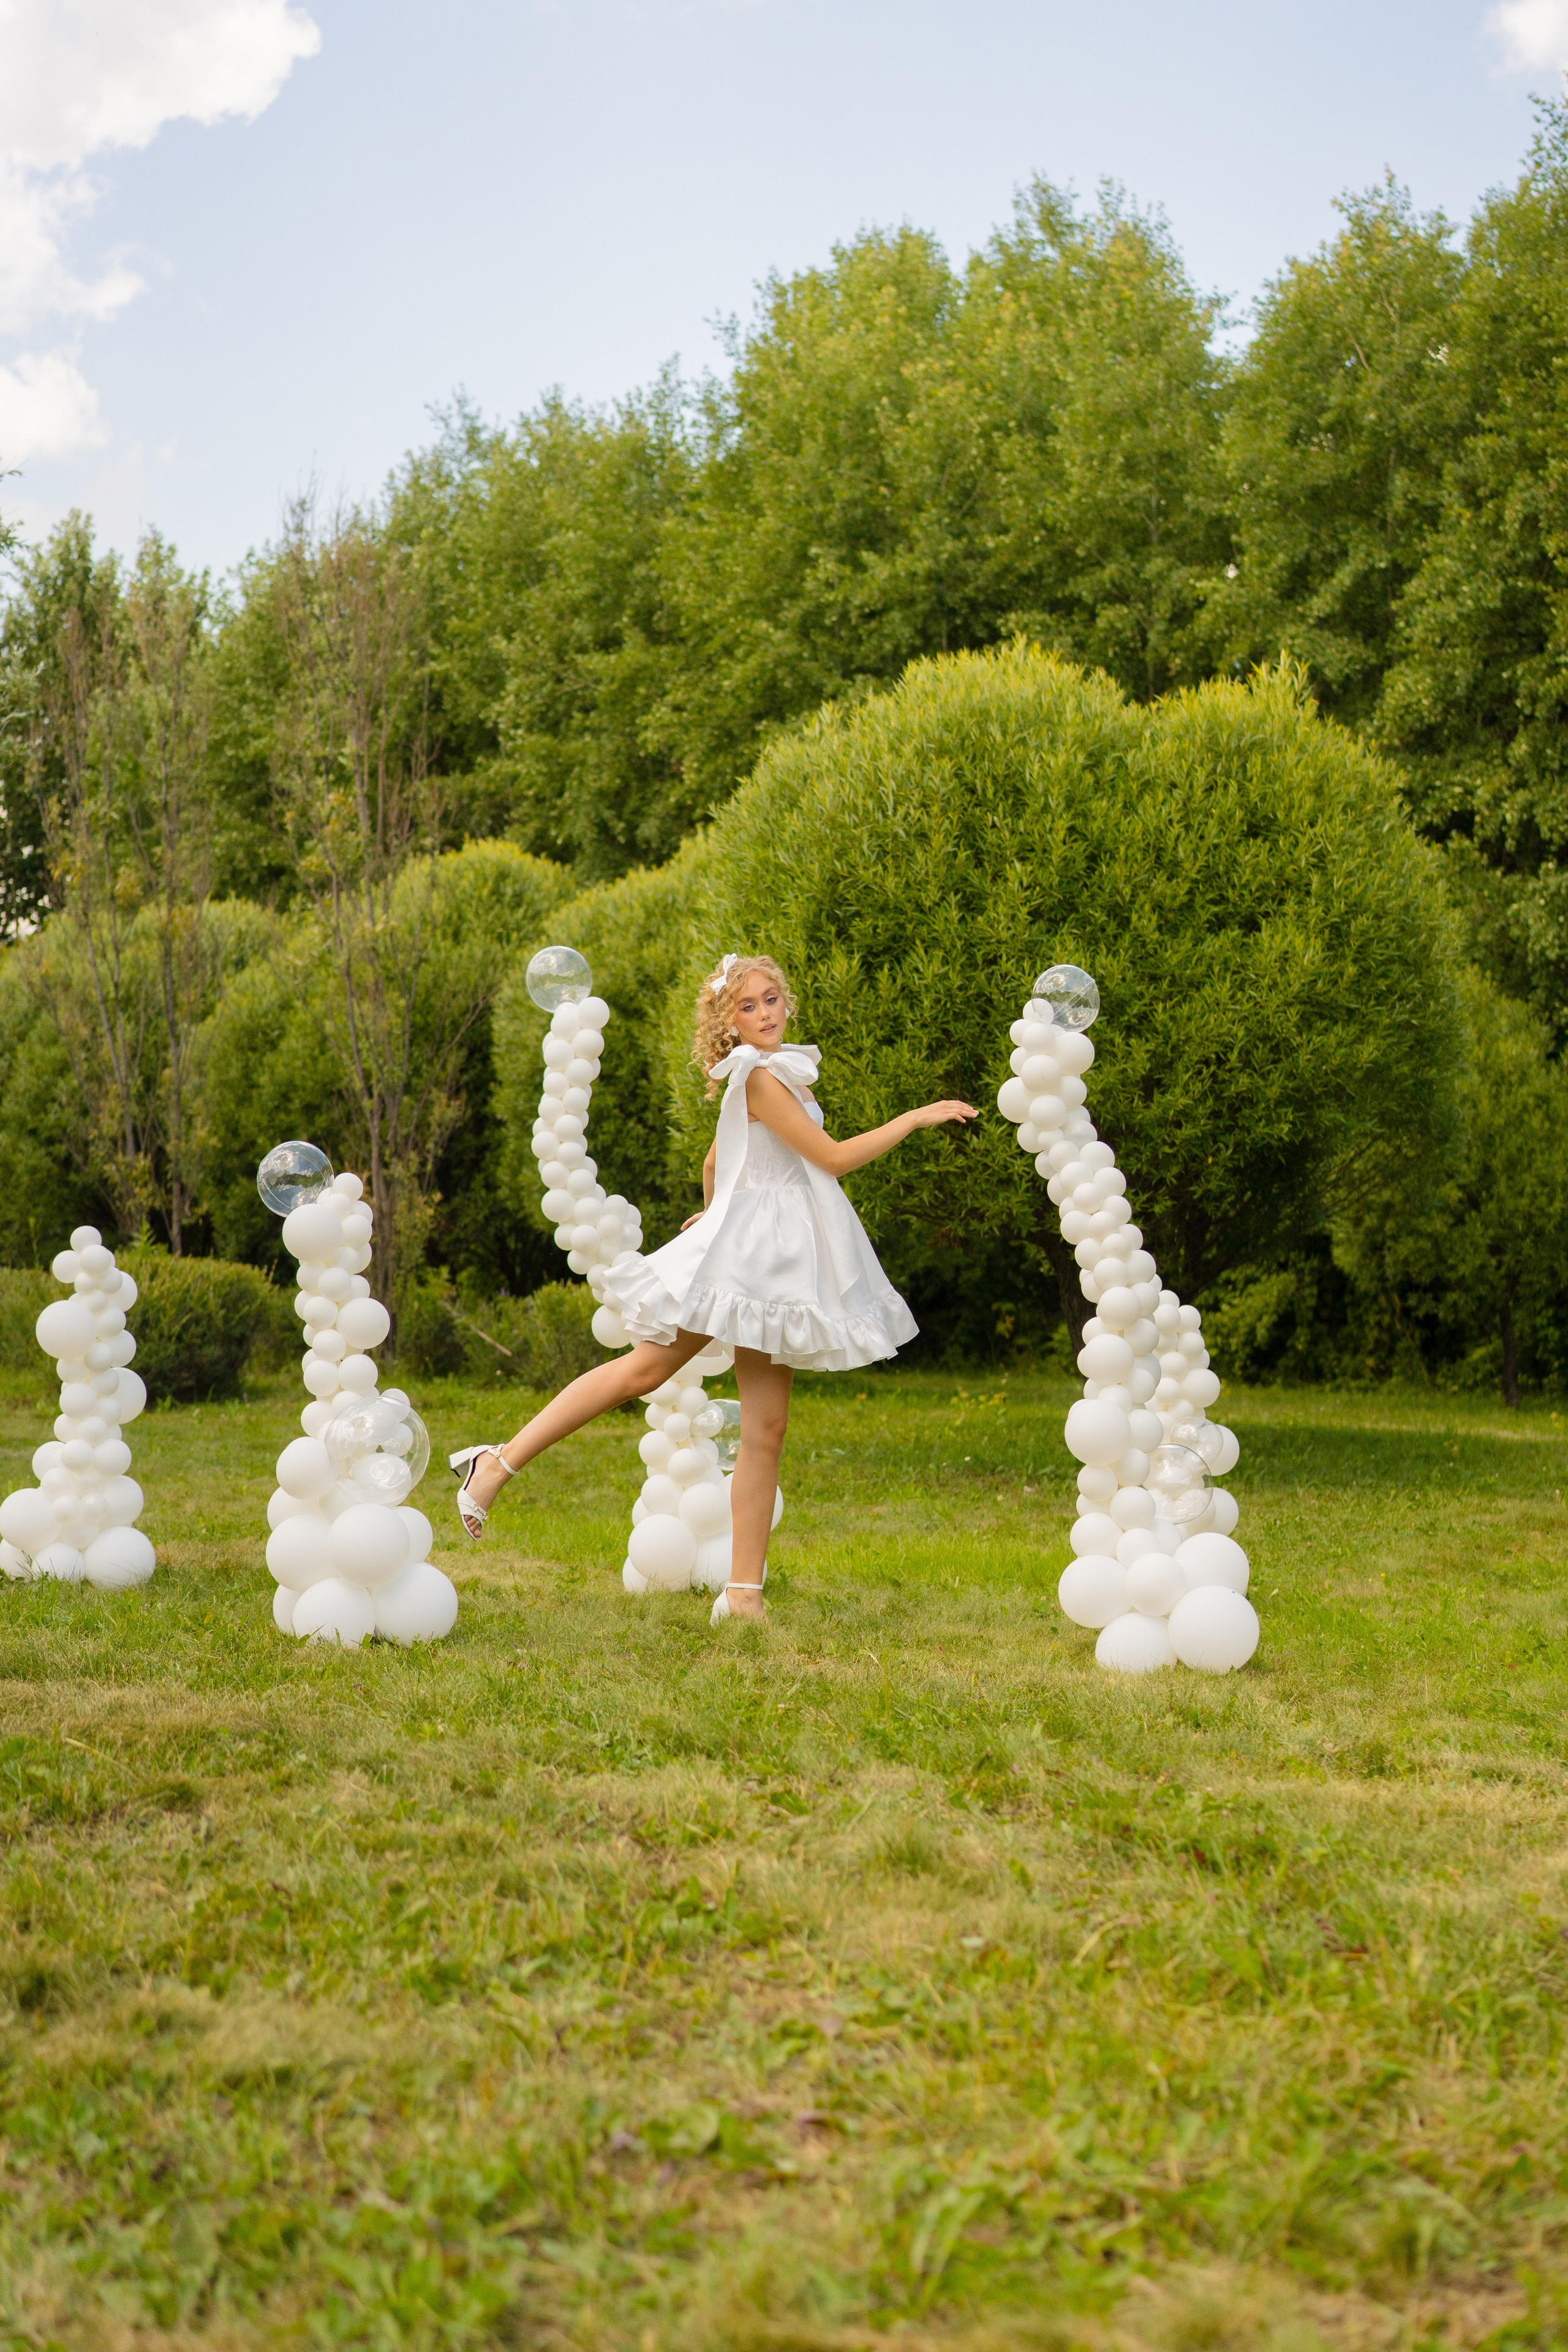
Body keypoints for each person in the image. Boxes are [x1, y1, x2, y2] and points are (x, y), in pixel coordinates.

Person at [451, 953, 976, 1621]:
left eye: (770, 999)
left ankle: (744, 1596)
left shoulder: (768, 1075)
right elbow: (834, 1158)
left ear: (785, 1001)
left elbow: (714, 1159)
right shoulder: (758, 1077)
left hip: (774, 1258)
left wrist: (717, 1206)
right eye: (747, 1007)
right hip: (756, 1258)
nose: (764, 1013)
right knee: (645, 1369)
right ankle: (495, 1464)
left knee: (766, 1427)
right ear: (728, 1024)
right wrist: (915, 1117)